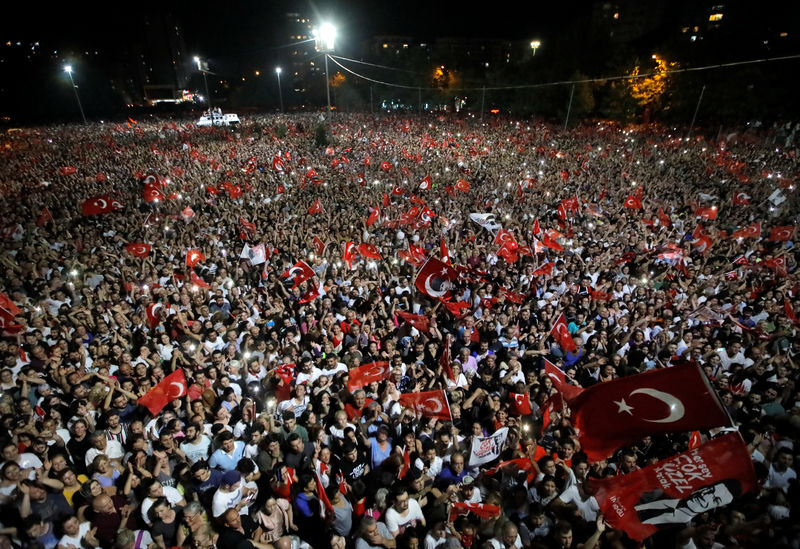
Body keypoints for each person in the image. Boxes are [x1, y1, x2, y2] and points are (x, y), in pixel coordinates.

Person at [634, 480, 741, 526]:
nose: (705, 496)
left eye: (715, 500)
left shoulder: (680, 526)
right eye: (710, 490)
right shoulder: (670, 495)